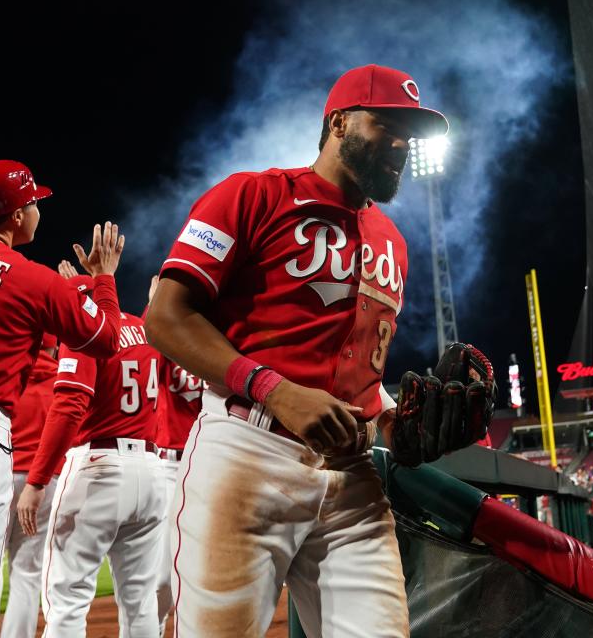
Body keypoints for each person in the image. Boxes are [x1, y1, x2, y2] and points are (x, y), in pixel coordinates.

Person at [145, 65, 454, 637]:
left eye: (409, 135)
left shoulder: (394, 242)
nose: (402, 146)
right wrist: (275, 389)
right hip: (246, 451)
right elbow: (165, 317)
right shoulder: (252, 194)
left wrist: (393, 423)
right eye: (388, 125)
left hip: (353, 475)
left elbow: (359, 372)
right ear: (339, 122)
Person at [0, 160, 126, 600]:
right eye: (34, 202)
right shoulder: (35, 280)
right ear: (16, 216)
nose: (38, 211)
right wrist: (102, 279)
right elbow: (108, 339)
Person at [19, 273, 165, 636]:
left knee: (67, 597)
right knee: (141, 601)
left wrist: (37, 481)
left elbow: (69, 406)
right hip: (151, 470)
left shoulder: (86, 334)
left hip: (99, 466)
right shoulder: (145, 332)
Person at [145, 275, 207, 636]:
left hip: (209, 464)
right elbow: (153, 331)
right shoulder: (164, 340)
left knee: (206, 571)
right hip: (168, 465)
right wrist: (156, 305)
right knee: (161, 576)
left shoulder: (218, 344)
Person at [0, 333, 64, 638]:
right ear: (53, 346)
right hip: (42, 484)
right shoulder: (62, 383)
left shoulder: (6, 375)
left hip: (4, 476)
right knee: (27, 573)